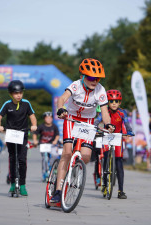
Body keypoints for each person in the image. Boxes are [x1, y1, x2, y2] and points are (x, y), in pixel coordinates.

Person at [50, 58, 115, 203]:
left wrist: (109, 124)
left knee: (86, 156)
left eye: (97, 78)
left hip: (88, 122)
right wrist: (61, 109)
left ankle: (74, 171)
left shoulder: (100, 90)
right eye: (91, 77)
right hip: (71, 119)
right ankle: (58, 190)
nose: (95, 81)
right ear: (82, 76)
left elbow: (104, 112)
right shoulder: (75, 85)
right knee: (67, 153)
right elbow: (62, 99)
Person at [0, 80, 37, 196]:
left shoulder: (26, 103)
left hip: (23, 134)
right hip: (11, 134)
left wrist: (34, 125)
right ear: (11, 94)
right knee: (13, 159)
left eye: (20, 93)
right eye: (16, 93)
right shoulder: (7, 104)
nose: (19, 95)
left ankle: (22, 185)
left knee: (22, 160)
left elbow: (32, 116)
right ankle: (13, 183)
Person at [102, 89, 134, 199]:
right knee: (106, 160)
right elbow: (98, 120)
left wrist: (129, 131)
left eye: (116, 101)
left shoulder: (122, 112)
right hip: (107, 136)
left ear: (119, 102)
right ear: (108, 102)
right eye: (111, 101)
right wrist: (95, 128)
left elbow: (127, 123)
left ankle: (121, 190)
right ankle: (105, 184)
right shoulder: (105, 111)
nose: (114, 103)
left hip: (118, 137)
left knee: (119, 163)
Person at [33, 111, 60, 181]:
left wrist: (55, 141)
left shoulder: (54, 126)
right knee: (45, 159)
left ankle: (53, 168)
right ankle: (45, 173)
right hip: (43, 145)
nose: (48, 119)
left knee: (54, 156)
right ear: (44, 119)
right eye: (47, 118)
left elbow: (57, 135)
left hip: (52, 145)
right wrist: (35, 141)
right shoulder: (41, 126)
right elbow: (35, 133)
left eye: (50, 118)